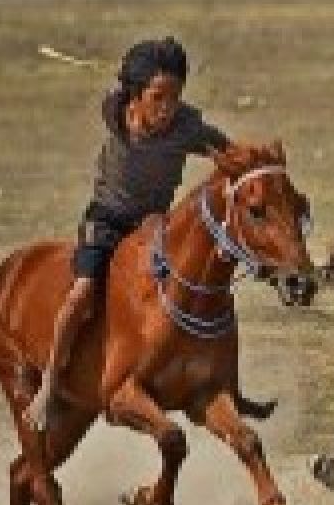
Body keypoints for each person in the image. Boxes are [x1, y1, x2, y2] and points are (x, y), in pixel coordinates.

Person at [22, 36, 231, 432]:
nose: (166, 109)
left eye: (174, 97)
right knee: (81, 293)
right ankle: (50, 383)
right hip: (106, 220)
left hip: (152, 225)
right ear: (136, 94)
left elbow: (228, 153)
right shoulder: (114, 110)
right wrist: (128, 94)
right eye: (157, 97)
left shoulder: (187, 127)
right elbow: (119, 99)